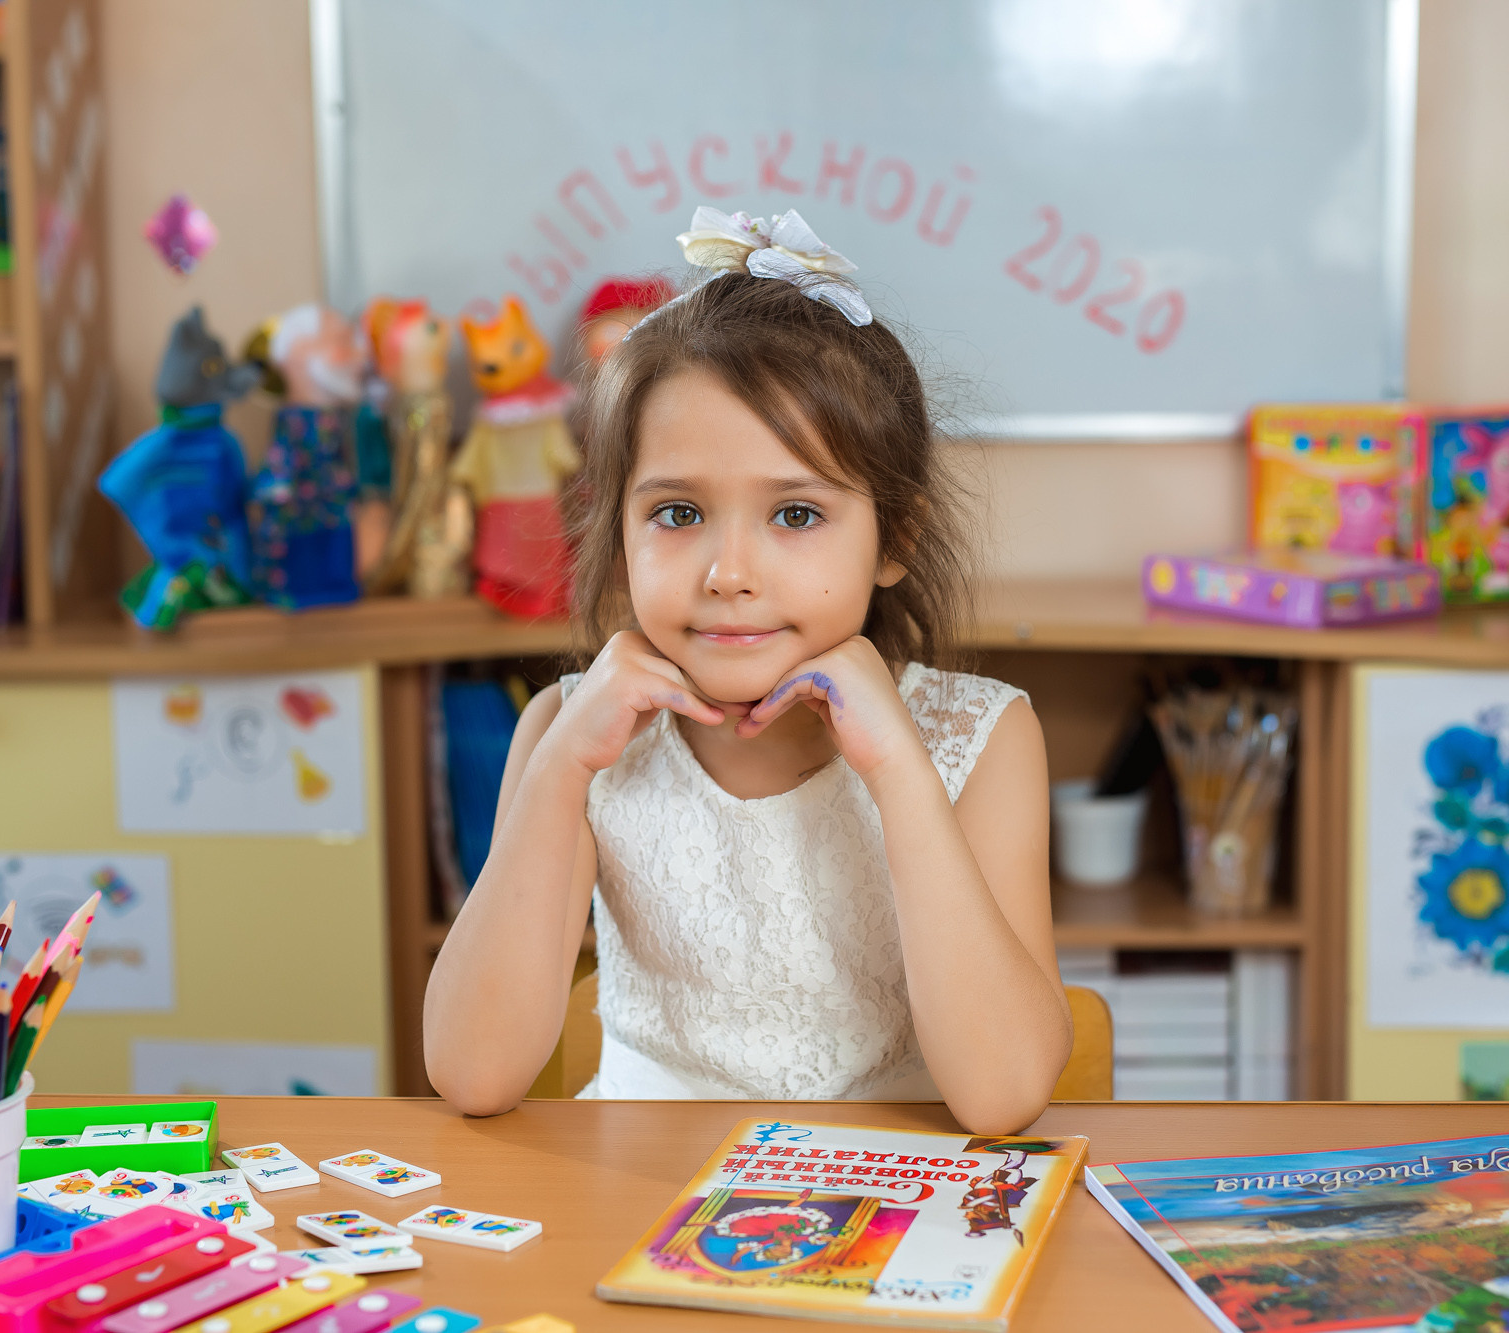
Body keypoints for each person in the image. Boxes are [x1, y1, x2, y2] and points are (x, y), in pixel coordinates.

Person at [423, 207, 1069, 1134]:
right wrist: (562, 768)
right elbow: (473, 1074)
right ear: (619, 536)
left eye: (796, 516)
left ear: (898, 537)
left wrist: (897, 769)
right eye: (678, 514)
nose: (729, 573)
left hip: (894, 1216)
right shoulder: (565, 736)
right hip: (635, 1208)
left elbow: (1002, 1095)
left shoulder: (983, 736)